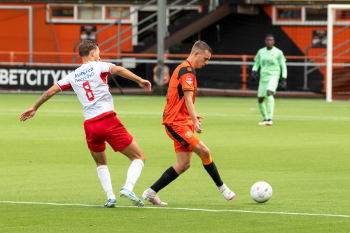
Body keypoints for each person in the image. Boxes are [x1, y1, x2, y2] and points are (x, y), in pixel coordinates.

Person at [20, 40, 151, 207]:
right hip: (107, 120)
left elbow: (51, 90)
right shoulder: (98, 66)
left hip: (90, 126)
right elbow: (117, 69)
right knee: (139, 157)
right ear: (92, 53)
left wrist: (34, 107)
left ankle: (110, 197)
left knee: (100, 162)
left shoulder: (73, 75)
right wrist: (139, 80)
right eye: (98, 52)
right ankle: (128, 187)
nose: (100, 55)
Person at [142, 40, 235, 205]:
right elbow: (188, 98)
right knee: (205, 152)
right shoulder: (187, 71)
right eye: (205, 59)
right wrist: (193, 119)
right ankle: (222, 188)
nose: (206, 63)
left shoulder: (184, 68)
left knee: (183, 164)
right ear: (196, 53)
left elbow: (180, 99)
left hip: (181, 120)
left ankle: (151, 192)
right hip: (175, 123)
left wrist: (190, 116)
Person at [251, 34, 287, 126]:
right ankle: (266, 118)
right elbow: (257, 63)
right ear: (265, 41)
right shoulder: (261, 52)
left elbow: (283, 65)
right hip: (263, 78)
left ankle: (270, 118)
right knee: (260, 99)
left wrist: (284, 78)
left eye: (271, 40)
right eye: (267, 40)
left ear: (273, 42)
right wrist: (254, 71)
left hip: (274, 76)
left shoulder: (278, 52)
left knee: (269, 92)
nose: (269, 41)